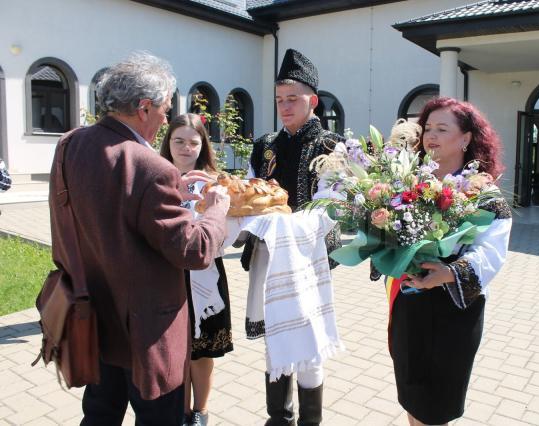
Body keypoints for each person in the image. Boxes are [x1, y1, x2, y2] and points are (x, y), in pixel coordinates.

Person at [49, 52, 230, 426]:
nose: (167, 118)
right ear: (144, 107)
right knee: (159, 418)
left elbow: (111, 208)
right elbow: (194, 251)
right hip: (146, 334)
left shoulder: (69, 145)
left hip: (93, 316)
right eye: (165, 108)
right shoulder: (151, 167)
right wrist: (216, 209)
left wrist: (174, 197)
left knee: (99, 414)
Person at [388, 97, 512, 426]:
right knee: (413, 397)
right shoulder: (408, 184)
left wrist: (446, 273)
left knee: (437, 406)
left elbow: (492, 252)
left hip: (452, 315)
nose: (431, 136)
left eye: (443, 129)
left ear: (467, 138)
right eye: (428, 128)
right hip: (410, 308)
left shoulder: (483, 194)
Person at [245, 48, 344, 426]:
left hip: (309, 258)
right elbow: (251, 193)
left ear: (312, 101)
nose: (285, 107)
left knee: (307, 340)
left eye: (293, 99)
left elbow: (333, 205)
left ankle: (310, 421)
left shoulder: (330, 146)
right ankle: (278, 418)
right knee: (275, 337)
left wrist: (291, 228)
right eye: (279, 100)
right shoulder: (265, 145)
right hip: (268, 256)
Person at [160, 114, 233, 426]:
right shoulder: (156, 177)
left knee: (203, 351)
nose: (186, 148)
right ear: (168, 143)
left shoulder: (218, 183)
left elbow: (230, 235)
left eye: (193, 141)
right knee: (174, 350)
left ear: (203, 145)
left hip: (206, 276)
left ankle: (200, 411)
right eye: (179, 140)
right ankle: (181, 410)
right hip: (166, 277)